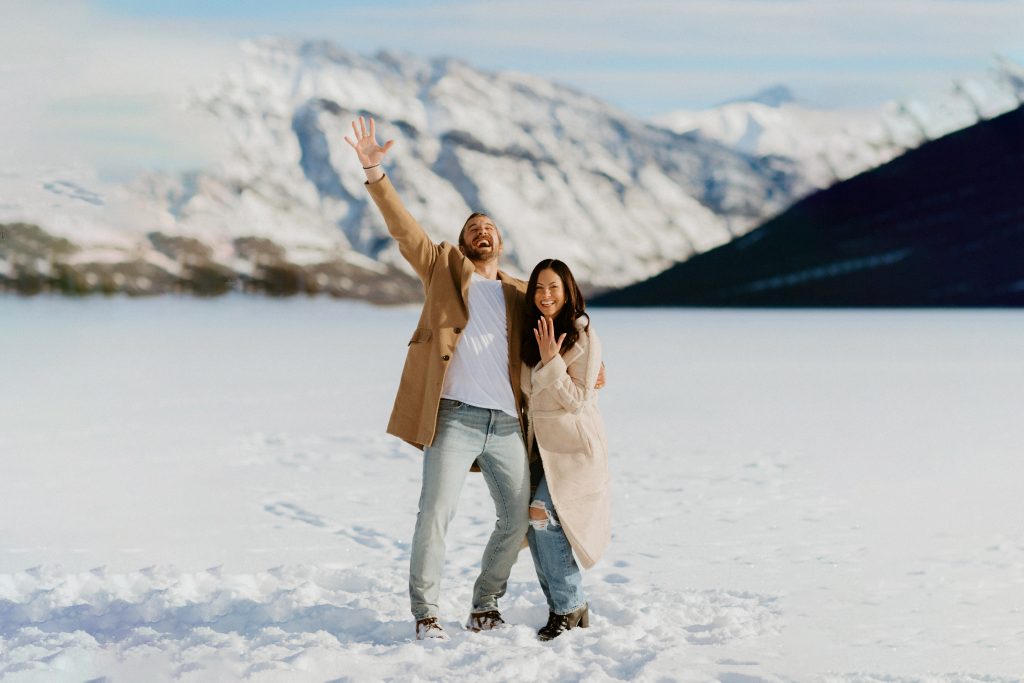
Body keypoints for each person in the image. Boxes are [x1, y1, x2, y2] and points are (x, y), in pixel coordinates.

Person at [343, 116, 532, 641]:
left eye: (490, 225)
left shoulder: (519, 293)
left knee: (517, 521)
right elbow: (404, 228)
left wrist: (591, 361)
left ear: (502, 239)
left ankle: (485, 603)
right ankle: (426, 613)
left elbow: (559, 329)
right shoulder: (443, 269)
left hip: (509, 426)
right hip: (455, 420)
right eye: (473, 226)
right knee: (434, 516)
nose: (482, 230)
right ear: (462, 241)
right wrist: (374, 170)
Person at [520, 259, 611, 641]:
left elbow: (577, 400)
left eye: (553, 287)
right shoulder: (529, 334)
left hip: (574, 450)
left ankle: (570, 605)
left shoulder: (584, 340)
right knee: (535, 523)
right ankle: (564, 606)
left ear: (568, 290)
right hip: (540, 449)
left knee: (543, 515)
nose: (545, 295)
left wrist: (552, 360)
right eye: (539, 287)